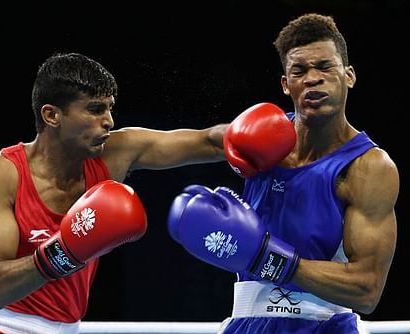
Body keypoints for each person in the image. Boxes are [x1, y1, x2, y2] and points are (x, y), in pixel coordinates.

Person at [0, 52, 296, 333]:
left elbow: (207, 140)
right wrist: (67, 249)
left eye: (110, 108)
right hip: (2, 327)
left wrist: (251, 135)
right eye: (95, 109)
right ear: (52, 115)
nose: (108, 121)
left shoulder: (115, 152)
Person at [167, 13, 399, 334]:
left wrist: (267, 257)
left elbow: (367, 290)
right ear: (286, 84)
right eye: (299, 71)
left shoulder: (368, 167)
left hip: (326, 326)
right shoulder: (256, 138)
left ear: (349, 76)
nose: (313, 78)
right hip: (246, 324)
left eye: (325, 67)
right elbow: (160, 144)